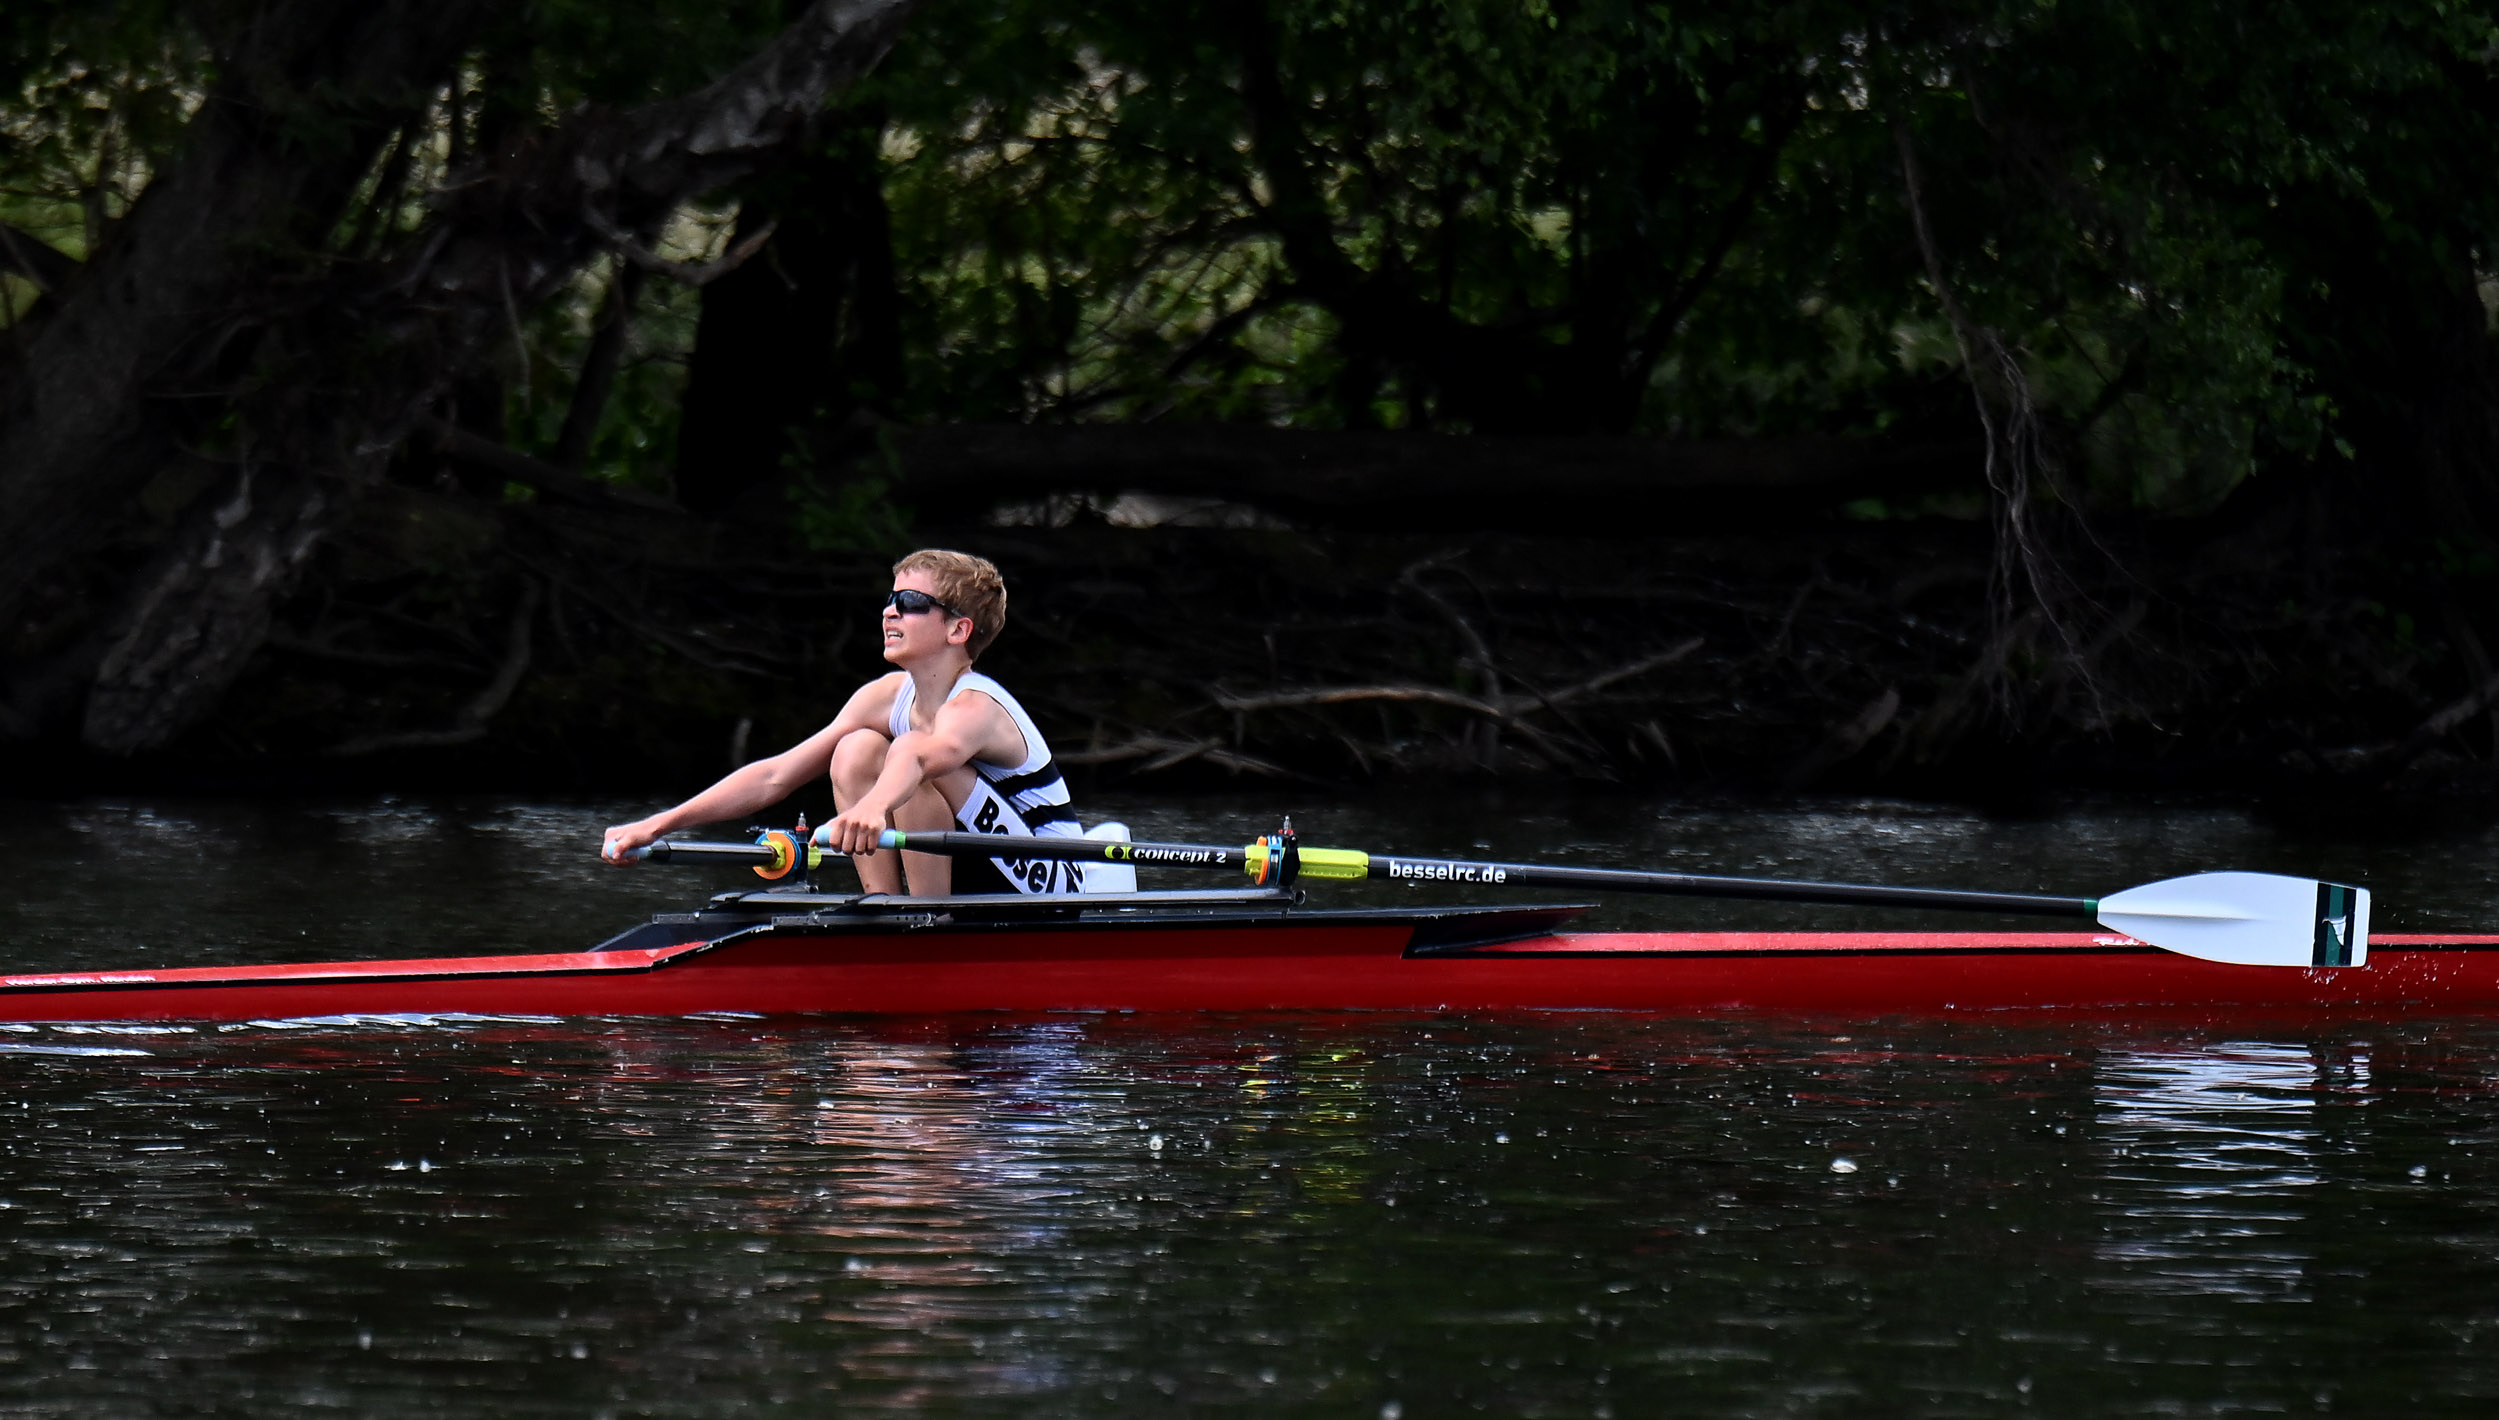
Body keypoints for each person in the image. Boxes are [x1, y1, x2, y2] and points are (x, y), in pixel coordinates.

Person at [601, 549, 1089, 895]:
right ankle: (885, 905)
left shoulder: (977, 706)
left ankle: (929, 919)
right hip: (976, 857)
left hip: (1054, 875)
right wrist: (660, 823)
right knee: (856, 746)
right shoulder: (884, 695)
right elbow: (775, 775)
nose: (889, 611)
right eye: (891, 599)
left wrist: (873, 807)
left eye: (912, 604)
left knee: (911, 753)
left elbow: (919, 755)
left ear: (959, 630)